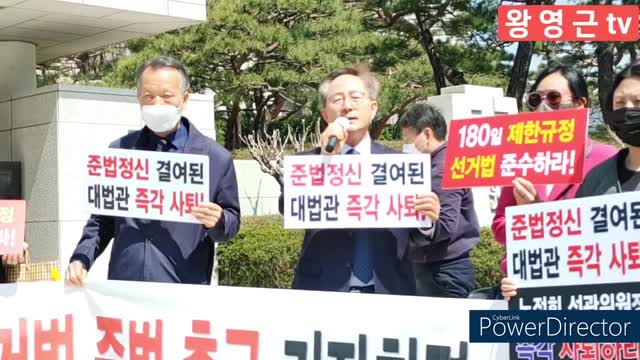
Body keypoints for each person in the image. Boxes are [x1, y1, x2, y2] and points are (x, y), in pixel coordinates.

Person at [65, 56, 241, 286]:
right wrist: (82, 257)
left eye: (167, 96)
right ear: (139, 99)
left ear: (184, 99)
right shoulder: (120, 152)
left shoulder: (214, 158)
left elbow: (232, 221)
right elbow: (102, 219)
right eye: (149, 96)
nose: (157, 104)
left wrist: (218, 220)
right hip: (125, 284)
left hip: (183, 286)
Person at [279, 65, 440, 295]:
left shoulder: (401, 165)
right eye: (337, 99)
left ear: (373, 108)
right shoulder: (307, 163)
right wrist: (327, 159)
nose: (347, 106)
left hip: (390, 288)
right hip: (323, 289)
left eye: (356, 97)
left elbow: (418, 236)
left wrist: (427, 221)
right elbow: (288, 207)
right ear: (326, 114)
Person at [492, 64, 617, 275]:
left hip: (584, 276)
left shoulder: (606, 158)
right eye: (535, 99)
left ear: (580, 104)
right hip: (525, 277)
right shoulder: (521, 160)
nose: (543, 107)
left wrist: (537, 213)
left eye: (553, 98)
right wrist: (524, 216)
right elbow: (499, 227)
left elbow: (612, 226)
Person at [399, 103, 480, 298]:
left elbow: (444, 224)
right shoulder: (443, 161)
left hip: (442, 270)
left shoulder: (441, 168)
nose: (408, 145)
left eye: (409, 138)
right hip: (443, 267)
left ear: (426, 134)